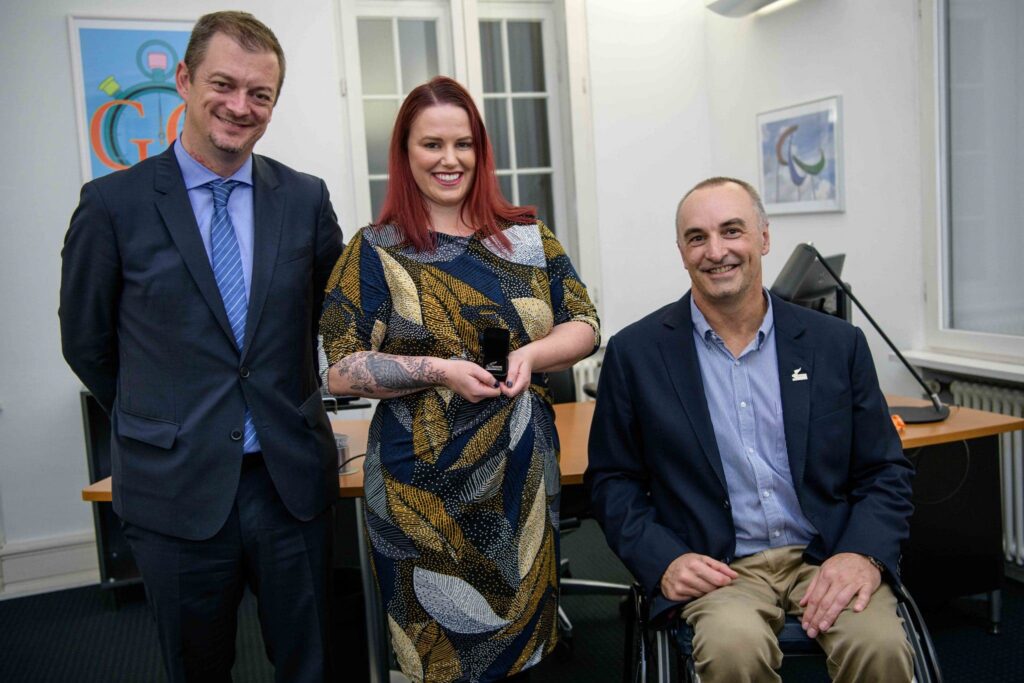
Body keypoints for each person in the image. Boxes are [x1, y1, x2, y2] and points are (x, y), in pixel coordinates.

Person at [59, 11, 343, 682]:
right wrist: (162, 417)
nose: (240, 106)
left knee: (312, 665)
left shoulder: (304, 199)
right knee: (197, 669)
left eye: (260, 93)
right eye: (224, 84)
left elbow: (331, 316)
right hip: (174, 488)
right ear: (185, 80)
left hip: (288, 484)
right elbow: (86, 342)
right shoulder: (112, 205)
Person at [319, 76, 599, 682]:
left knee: (523, 653)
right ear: (405, 152)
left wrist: (533, 354)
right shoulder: (374, 250)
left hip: (521, 478)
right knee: (439, 660)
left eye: (463, 144)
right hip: (420, 492)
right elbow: (339, 368)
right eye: (432, 144)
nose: (450, 159)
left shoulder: (528, 238)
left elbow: (585, 323)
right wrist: (439, 370)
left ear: (480, 150)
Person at [585, 177, 915, 682]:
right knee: (733, 650)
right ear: (681, 251)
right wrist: (665, 560)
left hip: (827, 553)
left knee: (881, 646)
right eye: (697, 237)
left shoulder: (836, 344)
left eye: (732, 231)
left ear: (763, 237)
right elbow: (613, 481)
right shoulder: (636, 354)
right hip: (718, 567)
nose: (716, 251)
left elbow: (884, 469)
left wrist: (862, 553)